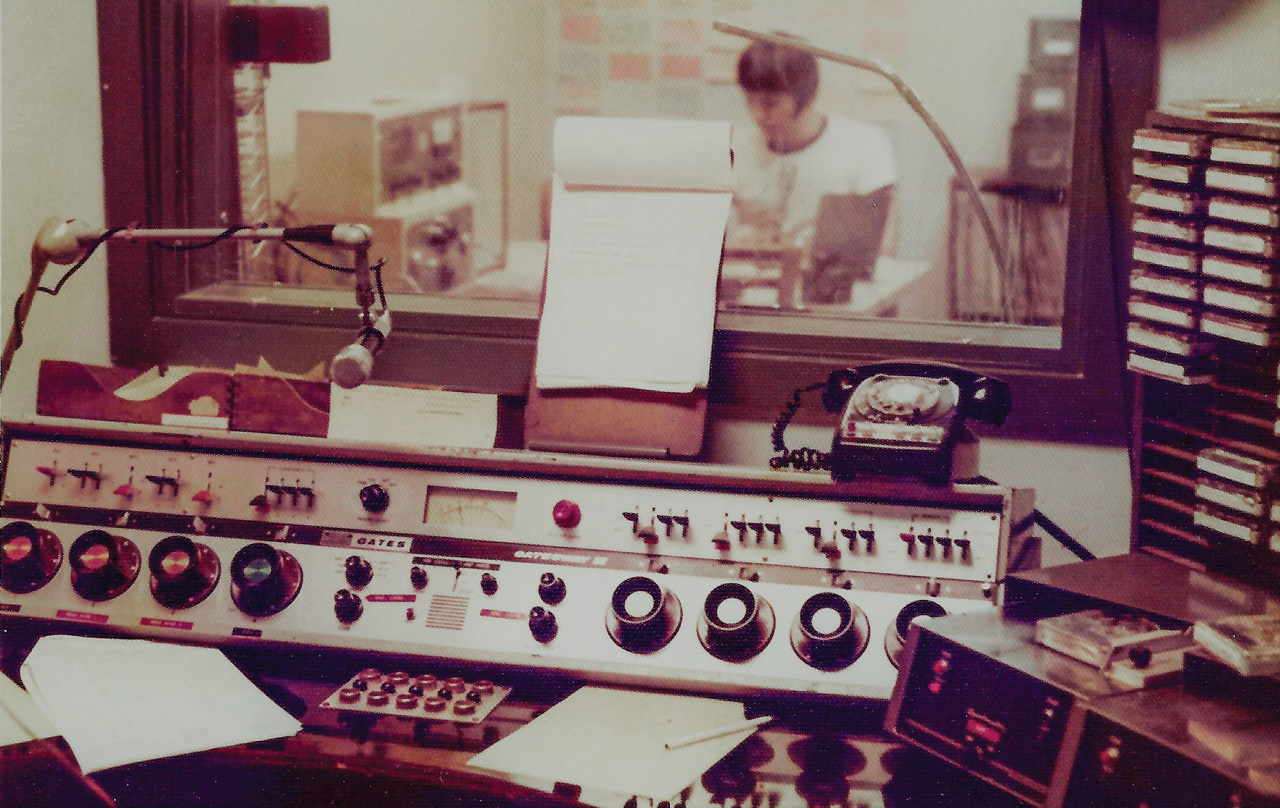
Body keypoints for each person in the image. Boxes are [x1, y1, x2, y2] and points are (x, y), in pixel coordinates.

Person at [727, 36, 897, 305]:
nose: (757, 114)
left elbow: (885, 246)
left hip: (832, 303)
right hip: (755, 299)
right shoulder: (736, 148)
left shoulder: (862, 145)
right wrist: (736, 246)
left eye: (770, 103)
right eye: (750, 100)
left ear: (805, 96)